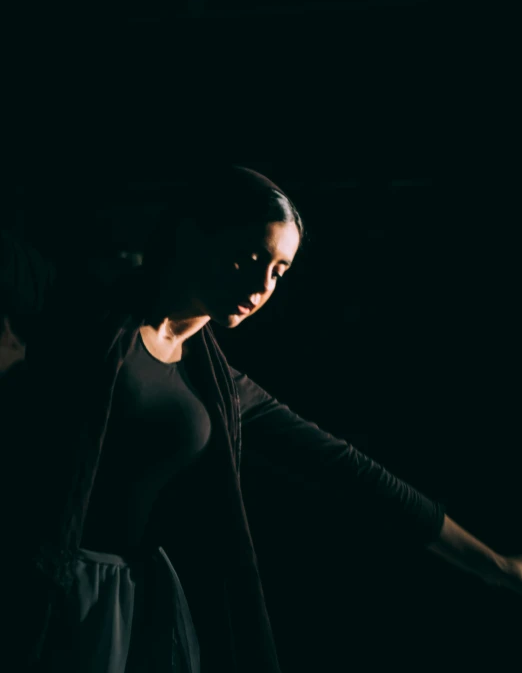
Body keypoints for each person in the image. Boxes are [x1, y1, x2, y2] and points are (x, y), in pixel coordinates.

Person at [1, 165, 521, 673]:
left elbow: (352, 472)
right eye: (249, 257)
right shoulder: (79, 307)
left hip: (127, 601)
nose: (261, 285)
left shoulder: (218, 387)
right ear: (192, 235)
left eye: (278, 271)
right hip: (35, 583)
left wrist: (495, 565)